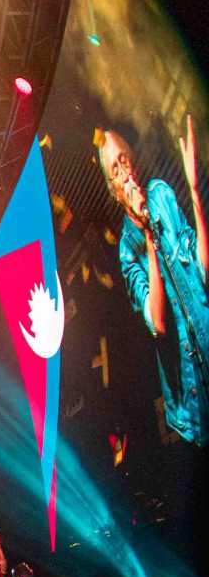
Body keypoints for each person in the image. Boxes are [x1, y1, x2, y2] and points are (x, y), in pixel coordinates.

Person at [96, 120, 209, 445]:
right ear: (113, 187)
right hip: (191, 397)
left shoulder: (161, 193)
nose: (125, 170)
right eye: (115, 168)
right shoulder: (126, 250)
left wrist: (195, 193)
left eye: (124, 159)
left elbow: (203, 270)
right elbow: (157, 322)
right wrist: (147, 234)